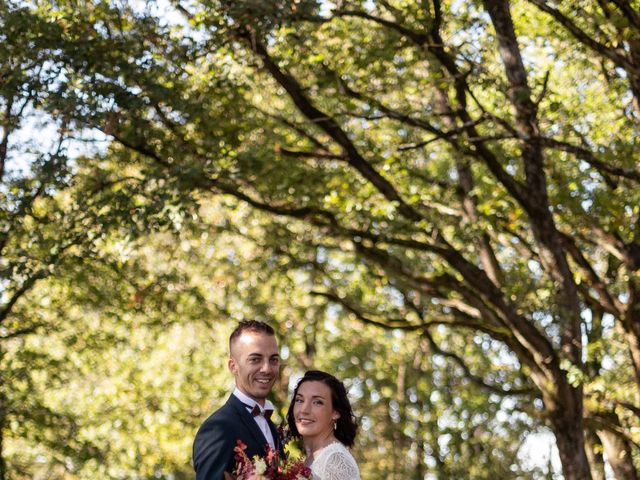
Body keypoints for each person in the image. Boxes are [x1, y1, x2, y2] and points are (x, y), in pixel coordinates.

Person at [193, 320, 282, 480]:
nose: (267, 369)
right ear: (233, 366)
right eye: (255, 359)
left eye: (273, 359)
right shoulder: (218, 429)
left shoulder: (272, 427)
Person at [286, 370, 360, 480]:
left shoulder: (334, 460)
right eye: (299, 400)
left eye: (317, 402)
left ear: (336, 412)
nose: (304, 410)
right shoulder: (314, 457)